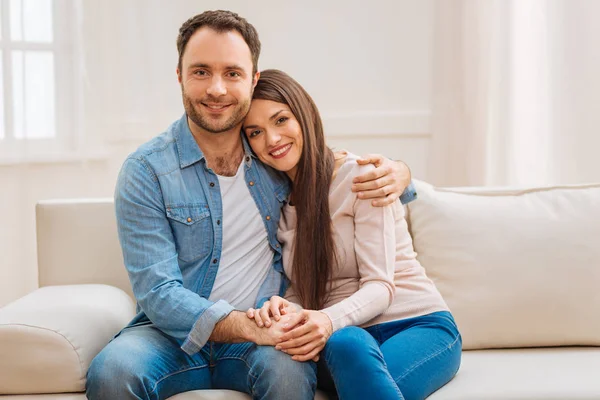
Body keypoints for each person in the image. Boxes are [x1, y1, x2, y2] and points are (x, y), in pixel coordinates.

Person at [86, 10, 417, 400]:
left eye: (232, 73)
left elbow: (338, 171)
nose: (217, 89)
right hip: (171, 335)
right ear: (179, 75)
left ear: (253, 79)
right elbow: (158, 291)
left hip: (263, 330)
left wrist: (403, 174)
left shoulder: (272, 153)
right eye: (200, 72)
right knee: (112, 372)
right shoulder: (147, 171)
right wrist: (244, 325)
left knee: (288, 373)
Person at [243, 69, 462, 400]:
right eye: (256, 132)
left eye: (281, 120)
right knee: (347, 342)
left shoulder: (361, 177)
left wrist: (327, 322)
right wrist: (284, 306)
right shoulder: (279, 205)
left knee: (347, 342)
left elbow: (381, 286)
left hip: (417, 325)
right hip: (343, 341)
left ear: (305, 116)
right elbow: (307, 290)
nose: (272, 139)